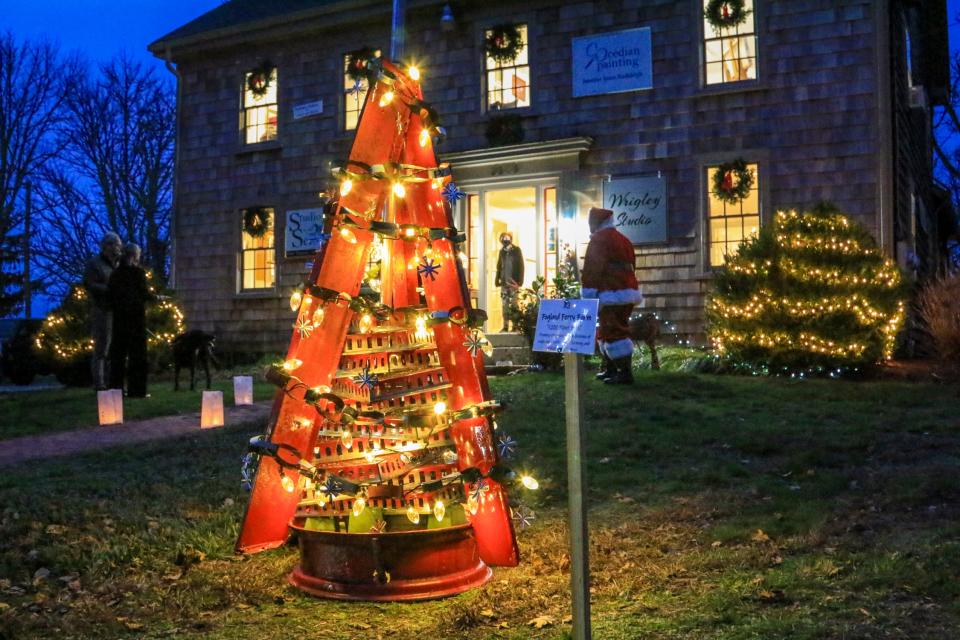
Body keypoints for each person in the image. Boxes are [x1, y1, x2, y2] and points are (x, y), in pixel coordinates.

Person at [580, 207, 642, 385]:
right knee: (614, 327)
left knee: (612, 330)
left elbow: (592, 269)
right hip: (627, 292)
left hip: (610, 292)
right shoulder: (624, 240)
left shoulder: (599, 240)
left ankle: (624, 373)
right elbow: (632, 266)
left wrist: (589, 292)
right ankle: (612, 368)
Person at [108, 243, 154, 397]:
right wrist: (155, 297)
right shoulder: (138, 273)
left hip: (119, 319)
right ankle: (137, 390)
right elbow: (144, 294)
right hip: (136, 320)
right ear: (134, 256)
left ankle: (115, 390)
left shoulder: (115, 274)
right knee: (138, 355)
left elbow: (111, 295)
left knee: (118, 355)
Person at [83, 232, 122, 390]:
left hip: (119, 310)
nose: (117, 248)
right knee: (102, 346)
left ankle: (113, 380)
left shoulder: (120, 264)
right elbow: (89, 284)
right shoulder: (95, 264)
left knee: (116, 347)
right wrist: (109, 289)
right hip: (103, 309)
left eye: (118, 244)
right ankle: (99, 383)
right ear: (106, 246)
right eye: (114, 244)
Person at [495, 232, 524, 332]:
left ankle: (515, 326)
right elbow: (499, 266)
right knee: (504, 305)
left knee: (514, 304)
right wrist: (497, 279)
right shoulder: (501, 251)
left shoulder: (516, 250)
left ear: (511, 239)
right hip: (504, 283)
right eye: (503, 239)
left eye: (506, 238)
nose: (505, 240)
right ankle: (505, 326)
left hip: (513, 283)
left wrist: (519, 282)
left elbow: (521, 266)